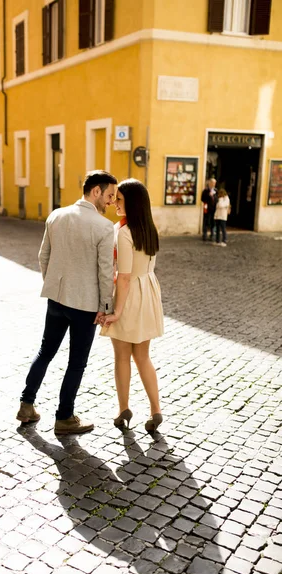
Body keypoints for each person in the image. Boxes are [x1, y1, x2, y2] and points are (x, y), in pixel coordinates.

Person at [17, 170, 117, 435]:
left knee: (45, 352)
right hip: (86, 306)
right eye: (109, 196)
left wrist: (54, 285)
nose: (110, 202)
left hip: (57, 299)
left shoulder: (56, 215)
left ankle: (26, 405)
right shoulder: (104, 228)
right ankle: (64, 417)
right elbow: (106, 271)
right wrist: (106, 307)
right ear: (95, 191)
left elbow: (43, 256)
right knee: (76, 363)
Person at [100, 179, 164, 433]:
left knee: (122, 356)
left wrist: (116, 311)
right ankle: (156, 409)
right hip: (148, 291)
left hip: (129, 295)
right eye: (115, 198)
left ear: (132, 203)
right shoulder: (149, 228)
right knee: (143, 356)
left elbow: (124, 276)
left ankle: (124, 409)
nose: (114, 202)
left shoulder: (124, 232)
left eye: (120, 199)